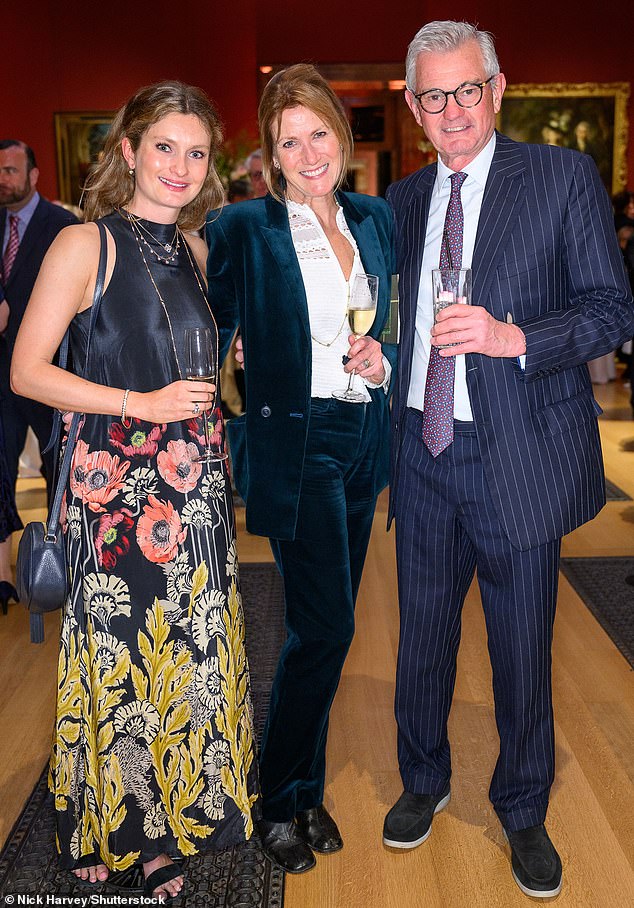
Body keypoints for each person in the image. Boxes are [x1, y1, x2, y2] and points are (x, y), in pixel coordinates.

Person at [383, 20, 634, 901]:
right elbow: (384, 315)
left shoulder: (561, 179)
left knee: (522, 645)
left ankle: (523, 807)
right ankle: (423, 778)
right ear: (413, 107)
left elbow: (612, 310)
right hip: (423, 449)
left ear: (497, 89)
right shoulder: (405, 200)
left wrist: (514, 335)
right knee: (421, 639)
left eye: (465, 89)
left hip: (516, 453)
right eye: (432, 95)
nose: (450, 109)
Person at [11, 81, 258, 902]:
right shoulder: (86, 244)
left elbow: (189, 364)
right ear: (128, 152)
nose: (182, 167)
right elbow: (27, 371)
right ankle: (113, 825)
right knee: (118, 660)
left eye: (197, 152)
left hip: (190, 488)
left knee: (181, 656)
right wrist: (138, 406)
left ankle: (169, 818)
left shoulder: (194, 249)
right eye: (165, 147)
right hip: (113, 489)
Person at [206, 63, 395, 875]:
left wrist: (381, 362)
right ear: (271, 154)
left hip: (361, 437)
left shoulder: (374, 216)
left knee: (327, 633)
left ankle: (308, 789)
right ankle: (277, 797)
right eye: (290, 140)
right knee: (325, 630)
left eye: (320, 131)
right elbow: (201, 324)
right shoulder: (244, 226)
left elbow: (392, 320)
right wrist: (231, 359)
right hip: (298, 442)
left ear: (341, 138)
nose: (308, 150)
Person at [0, 140, 79, 498]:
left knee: (56, 467)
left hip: (45, 366)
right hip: (1, 371)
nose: (1, 179)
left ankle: (53, 552)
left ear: (33, 175)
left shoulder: (63, 226)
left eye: (9, 170)